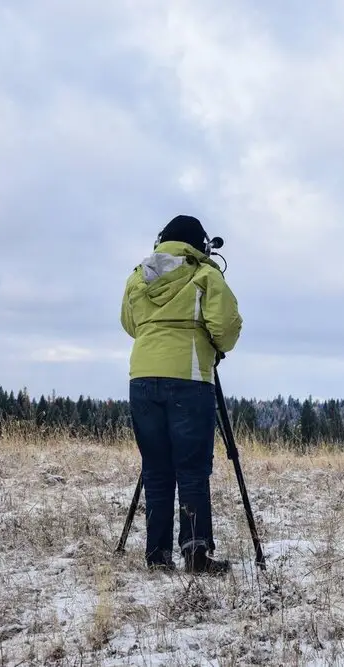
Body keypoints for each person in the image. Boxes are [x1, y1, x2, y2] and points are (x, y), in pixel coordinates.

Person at [120, 214, 242, 575]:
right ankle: (195, 554)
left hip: (142, 378)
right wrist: (211, 345)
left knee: (156, 469)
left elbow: (130, 325)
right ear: (200, 245)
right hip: (189, 379)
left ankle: (157, 557)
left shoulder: (137, 277)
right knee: (191, 468)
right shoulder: (206, 275)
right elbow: (227, 328)